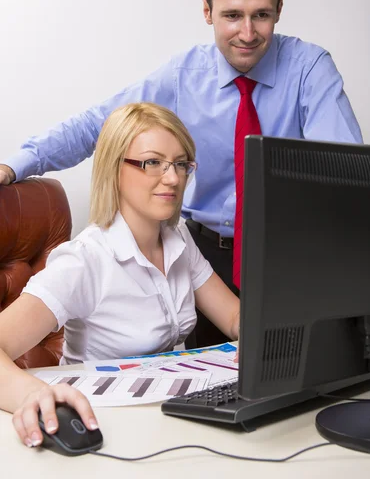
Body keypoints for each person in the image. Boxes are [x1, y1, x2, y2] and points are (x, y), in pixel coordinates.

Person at [0, 0, 362, 346]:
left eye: (261, 15)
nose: (247, 32)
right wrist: (15, 165)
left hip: (288, 256)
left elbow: (342, 173)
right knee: (210, 385)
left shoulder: (309, 70)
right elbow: (98, 125)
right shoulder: (183, 75)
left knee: (296, 368)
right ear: (207, 12)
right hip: (207, 255)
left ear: (279, 9)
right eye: (231, 15)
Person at [0, 102, 240, 448]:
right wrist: (34, 395)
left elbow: (233, 316)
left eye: (181, 164)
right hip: (103, 424)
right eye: (152, 162)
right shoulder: (84, 261)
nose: (172, 178)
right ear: (115, 168)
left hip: (165, 419)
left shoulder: (179, 240)